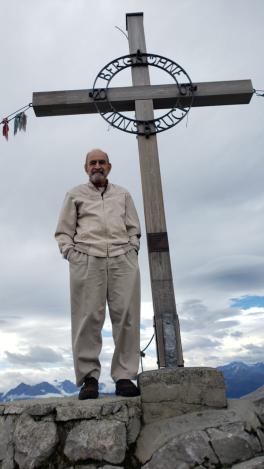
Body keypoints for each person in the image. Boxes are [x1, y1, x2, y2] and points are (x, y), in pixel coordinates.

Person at [55, 149, 141, 399]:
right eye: (92, 163)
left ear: (109, 167)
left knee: (126, 316)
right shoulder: (75, 195)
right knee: (87, 318)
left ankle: (124, 376)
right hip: (86, 258)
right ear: (86, 168)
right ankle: (89, 378)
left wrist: (132, 248)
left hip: (121, 256)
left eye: (102, 162)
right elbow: (63, 231)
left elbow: (134, 227)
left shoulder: (123, 194)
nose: (97, 166)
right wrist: (70, 253)